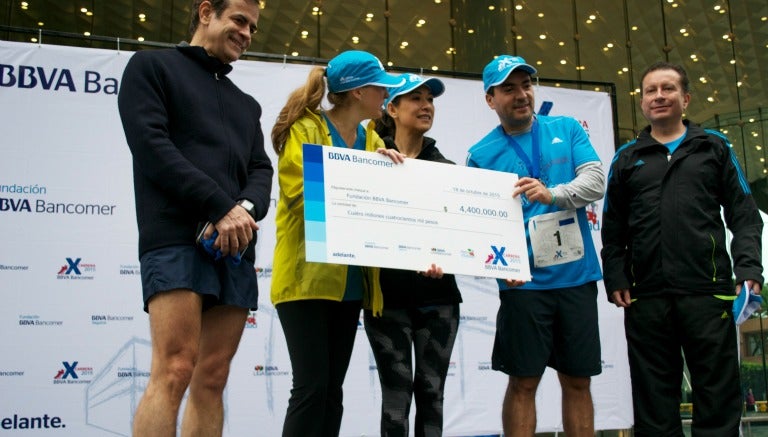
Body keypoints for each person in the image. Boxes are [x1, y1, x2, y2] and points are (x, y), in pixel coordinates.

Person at [117, 0, 273, 435]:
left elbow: (261, 169)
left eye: (253, 28)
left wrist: (243, 211)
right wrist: (218, 206)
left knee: (212, 377)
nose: (246, 33)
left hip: (236, 244)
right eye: (239, 20)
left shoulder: (247, 105)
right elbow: (151, 146)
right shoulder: (151, 68)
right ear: (206, 12)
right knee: (175, 368)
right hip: (174, 238)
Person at [601, 61, 764, 437]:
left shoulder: (714, 147)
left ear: (685, 98)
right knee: (654, 401)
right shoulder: (626, 158)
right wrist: (616, 276)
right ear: (642, 103)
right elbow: (613, 229)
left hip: (708, 293)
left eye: (668, 88)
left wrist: (749, 270)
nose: (659, 96)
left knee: (717, 396)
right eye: (650, 91)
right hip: (647, 297)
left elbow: (744, 214)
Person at [466, 55, 605, 437]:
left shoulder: (567, 127)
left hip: (576, 278)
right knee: (523, 383)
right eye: (508, 88)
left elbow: (595, 181)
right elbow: (479, 226)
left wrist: (554, 194)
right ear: (490, 99)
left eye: (526, 84)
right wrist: (499, 269)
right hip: (524, 284)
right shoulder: (481, 154)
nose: (521, 94)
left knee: (578, 381)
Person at [270, 50, 405, 437]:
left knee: (332, 391)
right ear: (359, 92)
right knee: (311, 389)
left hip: (349, 284)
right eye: (382, 88)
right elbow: (297, 195)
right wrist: (361, 179)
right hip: (305, 282)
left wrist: (388, 175)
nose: (387, 96)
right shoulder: (306, 128)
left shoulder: (373, 138)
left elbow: (382, 209)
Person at [364, 73, 463, 437]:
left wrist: (448, 260)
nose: (426, 106)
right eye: (416, 99)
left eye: (430, 100)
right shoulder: (366, 163)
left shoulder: (450, 172)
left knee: (432, 393)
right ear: (392, 108)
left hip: (439, 299)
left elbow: (458, 239)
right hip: (385, 298)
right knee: (396, 397)